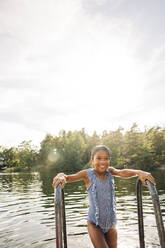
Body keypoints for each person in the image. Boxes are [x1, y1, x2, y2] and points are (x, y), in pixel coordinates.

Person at [52, 145, 155, 248]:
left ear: (109, 160)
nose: (103, 162)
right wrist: (61, 175)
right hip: (94, 224)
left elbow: (122, 172)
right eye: (99, 158)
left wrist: (139, 172)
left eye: (106, 159)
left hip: (111, 224)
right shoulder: (87, 174)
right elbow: (69, 177)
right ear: (92, 160)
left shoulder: (110, 172)